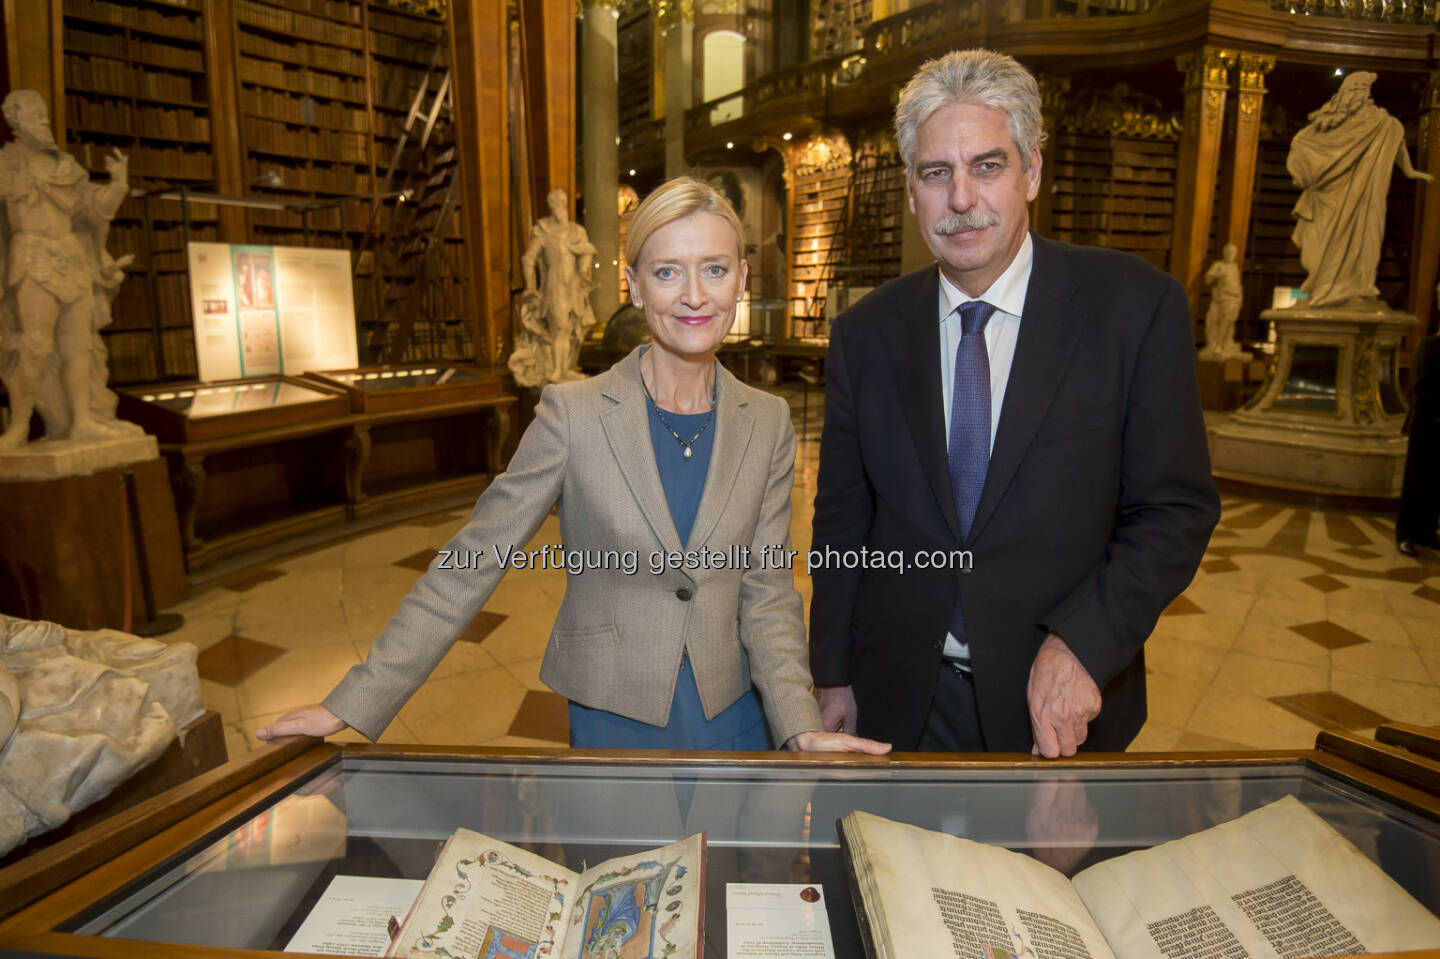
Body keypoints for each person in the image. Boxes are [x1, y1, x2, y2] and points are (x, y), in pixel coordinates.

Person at [259, 178, 889, 756]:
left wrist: (798, 722)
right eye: (668, 271)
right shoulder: (574, 414)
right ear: (635, 284)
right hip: (614, 712)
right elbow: (469, 563)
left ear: (742, 279)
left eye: (715, 270)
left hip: (738, 713)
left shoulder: (768, 421)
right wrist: (354, 700)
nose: (695, 295)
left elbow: (768, 590)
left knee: (732, 876)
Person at [808, 49, 1219, 758]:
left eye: (987, 166)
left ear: (1031, 169)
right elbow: (843, 523)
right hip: (900, 700)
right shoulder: (863, 333)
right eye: (937, 173)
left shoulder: (1134, 307)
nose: (961, 198)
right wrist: (832, 672)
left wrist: (1085, 642)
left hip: (1059, 702)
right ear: (911, 191)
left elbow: (1174, 510)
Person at [0, 89, 134, 450]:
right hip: (33, 256)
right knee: (36, 346)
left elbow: (92, 211)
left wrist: (118, 184)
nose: (44, 119)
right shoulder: (6, 164)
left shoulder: (67, 167)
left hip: (72, 258)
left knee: (79, 347)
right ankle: (19, 428)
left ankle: (83, 422)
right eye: (36, 113)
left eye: (45, 113)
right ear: (15, 118)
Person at [1286, 71, 1432, 308]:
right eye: (1353, 89)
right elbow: (1301, 143)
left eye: (1363, 90)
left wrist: (1410, 171)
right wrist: (1303, 171)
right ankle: (1323, 286)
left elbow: (1397, 140)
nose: (1358, 94)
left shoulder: (1381, 123)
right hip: (1327, 196)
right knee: (1315, 250)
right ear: (1342, 93)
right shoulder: (1326, 122)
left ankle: (1354, 288)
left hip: (1364, 198)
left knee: (1364, 241)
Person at [509, 188, 599, 387]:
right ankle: (557, 371)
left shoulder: (577, 231)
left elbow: (586, 251)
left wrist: (584, 272)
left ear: (566, 205)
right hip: (555, 285)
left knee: (569, 329)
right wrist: (531, 288)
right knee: (559, 327)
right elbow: (528, 259)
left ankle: (564, 368)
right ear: (550, 206)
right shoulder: (544, 230)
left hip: (573, 286)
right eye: (554, 204)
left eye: (561, 203)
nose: (558, 208)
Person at [1397, 331, 1440, 556]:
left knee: (1436, 482)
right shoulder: (1429, 346)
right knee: (1417, 479)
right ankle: (1406, 535)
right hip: (1426, 423)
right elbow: (1421, 385)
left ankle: (1427, 532)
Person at [1199, 244, 1248, 361]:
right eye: (1228, 252)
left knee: (1230, 323)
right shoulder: (1219, 265)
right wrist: (1217, 275)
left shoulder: (1234, 267)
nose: (1230, 255)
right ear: (1224, 253)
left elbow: (1237, 284)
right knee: (1225, 320)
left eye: (1233, 253)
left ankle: (1223, 345)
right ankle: (1218, 345)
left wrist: (1240, 297)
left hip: (1234, 298)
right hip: (1224, 298)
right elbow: (1208, 279)